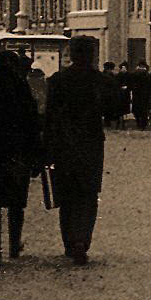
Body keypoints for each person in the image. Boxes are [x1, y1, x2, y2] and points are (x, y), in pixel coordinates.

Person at [43, 35, 113, 264]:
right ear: (91, 54)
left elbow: (49, 115)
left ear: (71, 54)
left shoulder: (57, 80)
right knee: (89, 194)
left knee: (67, 194)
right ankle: (83, 239)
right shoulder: (99, 80)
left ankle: (71, 241)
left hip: (64, 144)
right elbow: (115, 107)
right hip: (91, 144)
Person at [0, 50, 42, 265]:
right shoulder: (21, 86)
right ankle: (14, 245)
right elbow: (32, 121)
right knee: (16, 201)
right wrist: (36, 153)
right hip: (17, 150)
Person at [128, 62, 151, 129]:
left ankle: (138, 122)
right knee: (144, 110)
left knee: (137, 109)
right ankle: (143, 124)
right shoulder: (148, 75)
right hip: (145, 95)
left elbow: (131, 84)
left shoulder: (134, 74)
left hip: (137, 94)